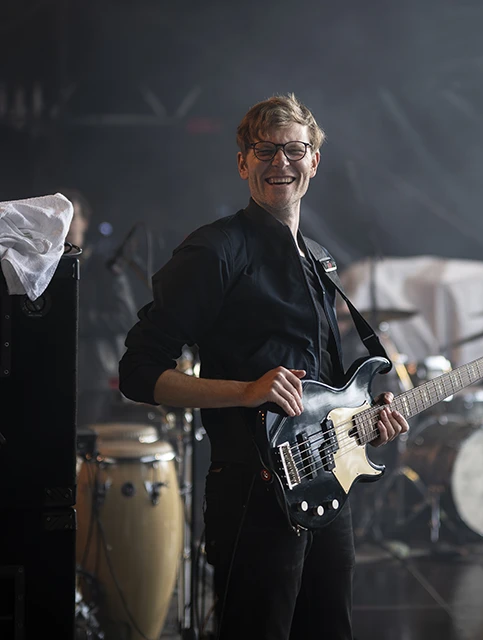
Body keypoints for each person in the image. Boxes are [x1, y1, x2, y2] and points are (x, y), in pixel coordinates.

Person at [118, 93, 409, 640]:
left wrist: (370, 419)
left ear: (314, 161)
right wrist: (246, 391)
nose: (281, 163)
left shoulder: (319, 257)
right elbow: (138, 370)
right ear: (242, 162)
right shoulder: (215, 251)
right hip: (251, 494)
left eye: (294, 150)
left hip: (327, 487)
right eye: (265, 151)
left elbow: (330, 388)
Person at [59, 188, 141, 427]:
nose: (64, 223)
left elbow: (125, 317)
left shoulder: (105, 267)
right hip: (54, 373)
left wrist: (75, 321)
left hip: (95, 378)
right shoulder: (42, 268)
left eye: (71, 216)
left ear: (85, 221)